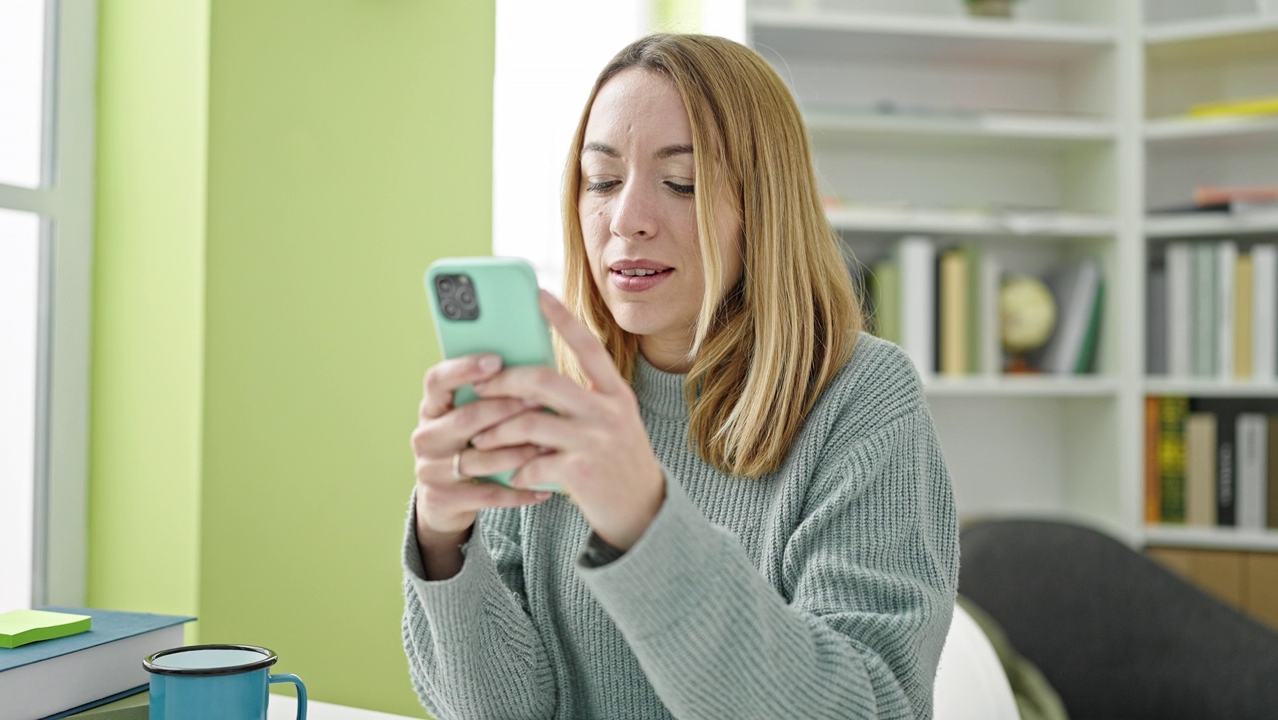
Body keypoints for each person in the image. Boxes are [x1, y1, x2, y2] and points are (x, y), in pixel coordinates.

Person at [403, 33, 958, 720]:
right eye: (601, 181)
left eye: (683, 184)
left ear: (761, 207)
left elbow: (865, 708)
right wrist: (444, 541)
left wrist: (644, 521)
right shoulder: (556, 401)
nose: (627, 221)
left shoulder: (861, 398)